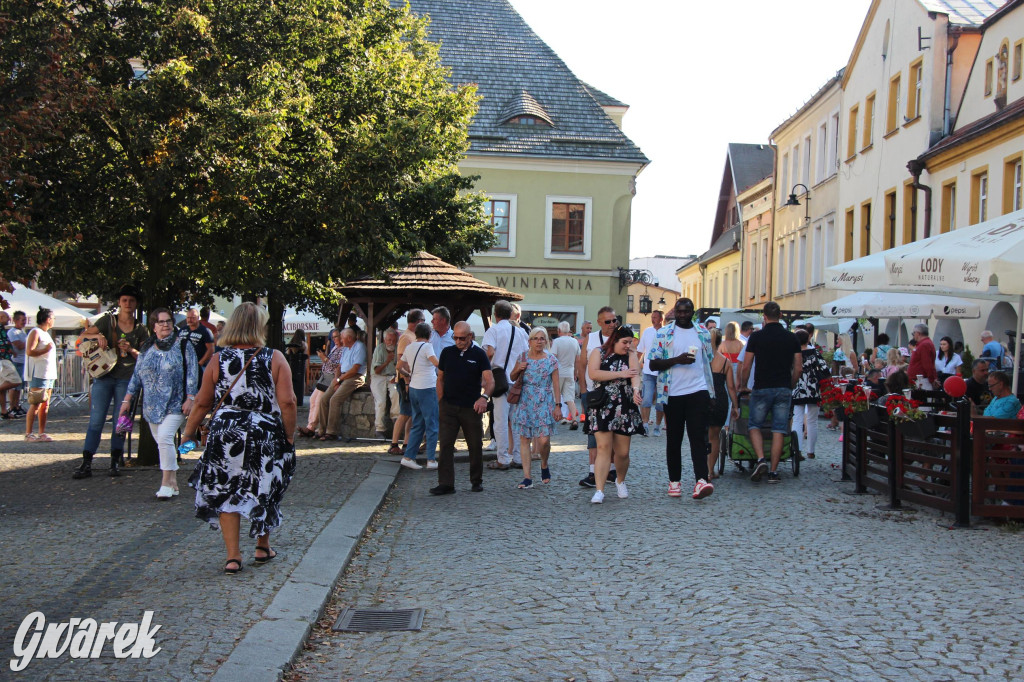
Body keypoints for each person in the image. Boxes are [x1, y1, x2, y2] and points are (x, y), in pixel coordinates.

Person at [181, 302, 296, 575]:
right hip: (263, 432)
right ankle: (262, 546)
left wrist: (189, 433)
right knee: (265, 486)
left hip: (224, 432)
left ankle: (233, 557)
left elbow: (201, 402)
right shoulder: (274, 357)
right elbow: (288, 402)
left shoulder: (218, 359)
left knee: (226, 489)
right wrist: (288, 436)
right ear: (260, 327)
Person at [119, 308, 199, 498]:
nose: (165, 325)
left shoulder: (183, 345)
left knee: (164, 438)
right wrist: (127, 399)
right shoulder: (147, 347)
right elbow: (137, 376)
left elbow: (193, 373)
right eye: (161, 322)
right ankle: (173, 482)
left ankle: (165, 482)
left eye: (168, 321)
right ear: (153, 326)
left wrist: (191, 397)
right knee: (163, 442)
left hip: (175, 402)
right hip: (151, 405)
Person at [75, 285, 149, 478]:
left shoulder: (141, 328)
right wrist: (99, 335)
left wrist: (131, 349)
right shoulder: (108, 321)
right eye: (124, 300)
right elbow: (84, 336)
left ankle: (116, 461)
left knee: (120, 421)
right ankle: (86, 462)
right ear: (119, 302)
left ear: (136, 304)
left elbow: (146, 356)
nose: (127, 304)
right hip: (104, 376)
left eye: (131, 301)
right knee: (96, 420)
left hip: (126, 379)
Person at [648, 298, 716, 500]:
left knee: (698, 437)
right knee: (674, 439)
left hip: (698, 390)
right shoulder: (664, 333)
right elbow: (653, 364)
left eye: (687, 312)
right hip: (672, 393)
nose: (683, 315)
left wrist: (711, 394)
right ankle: (674, 481)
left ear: (693, 312)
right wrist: (677, 360)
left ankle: (701, 481)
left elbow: (708, 361)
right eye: (680, 312)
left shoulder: (702, 333)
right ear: (674, 312)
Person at [739, 301, 801, 484]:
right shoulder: (792, 338)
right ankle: (773, 472)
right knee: (779, 429)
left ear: (764, 317)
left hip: (762, 387)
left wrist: (743, 385)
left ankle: (760, 460)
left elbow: (747, 365)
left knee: (754, 426)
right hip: (783, 388)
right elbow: (798, 368)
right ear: (780, 315)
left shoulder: (756, 337)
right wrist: (790, 385)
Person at [431, 322, 494, 495]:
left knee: (475, 445)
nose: (458, 341)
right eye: (455, 337)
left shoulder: (479, 354)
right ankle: (446, 483)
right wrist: (441, 400)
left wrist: (484, 397)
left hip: (470, 407)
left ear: (470, 336)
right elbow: (440, 378)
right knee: (445, 445)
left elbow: (490, 381)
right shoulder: (447, 353)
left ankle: (476, 481)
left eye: (462, 338)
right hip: (449, 406)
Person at [585, 325, 644, 503]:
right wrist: (620, 373)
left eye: (630, 342)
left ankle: (620, 480)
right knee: (603, 448)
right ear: (615, 340)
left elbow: (634, 374)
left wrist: (635, 390)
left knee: (623, 452)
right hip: (603, 404)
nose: (628, 345)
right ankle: (599, 490)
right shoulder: (599, 352)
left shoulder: (631, 354)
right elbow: (593, 374)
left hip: (624, 405)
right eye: (625, 342)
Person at [507, 327, 561, 489]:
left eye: (542, 338)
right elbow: (512, 376)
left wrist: (558, 406)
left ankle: (544, 464)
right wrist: (518, 368)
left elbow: (556, 385)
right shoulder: (522, 356)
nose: (539, 341)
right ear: (529, 341)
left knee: (544, 440)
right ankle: (527, 477)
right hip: (525, 400)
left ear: (546, 341)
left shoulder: (551, 360)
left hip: (544, 400)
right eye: (535, 338)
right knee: (525, 439)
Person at [482, 300, 528, 469]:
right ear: (511, 314)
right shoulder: (520, 332)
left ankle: (503, 458)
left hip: (499, 380)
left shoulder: (493, 330)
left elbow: (490, 352)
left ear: (495, 314)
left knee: (500, 421)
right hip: (516, 380)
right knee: (515, 421)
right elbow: (525, 355)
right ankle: (518, 456)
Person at [576, 307, 620, 487]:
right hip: (594, 392)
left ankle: (610, 470)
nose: (612, 324)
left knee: (614, 432)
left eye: (614, 320)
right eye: (608, 321)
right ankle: (593, 472)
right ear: (600, 322)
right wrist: (583, 389)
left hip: (616, 391)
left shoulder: (621, 337)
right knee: (593, 432)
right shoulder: (591, 338)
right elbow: (582, 364)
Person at [397, 322, 440, 470]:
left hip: (414, 387)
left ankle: (408, 457)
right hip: (427, 387)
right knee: (432, 424)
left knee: (417, 424)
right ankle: (431, 459)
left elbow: (399, 366)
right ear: (429, 335)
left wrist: (408, 375)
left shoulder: (409, 347)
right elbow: (436, 363)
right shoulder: (427, 347)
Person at [317, 327, 366, 441]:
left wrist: (339, 380)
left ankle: (331, 432)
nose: (340, 340)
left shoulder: (359, 347)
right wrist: (336, 379)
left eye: (342, 338)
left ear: (349, 338)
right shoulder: (345, 348)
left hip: (355, 376)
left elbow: (355, 369)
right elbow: (339, 366)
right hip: (342, 376)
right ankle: (321, 430)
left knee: (335, 399)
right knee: (324, 399)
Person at [389, 310, 423, 455]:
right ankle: (394, 443)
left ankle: (408, 444)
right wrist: (407, 381)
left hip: (412, 380)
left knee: (411, 414)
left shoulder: (413, 336)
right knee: (404, 413)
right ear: (418, 321)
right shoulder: (406, 338)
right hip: (406, 382)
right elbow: (402, 362)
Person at [791, 328, 829, 461]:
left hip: (797, 387)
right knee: (813, 420)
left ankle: (797, 450)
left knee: (797, 419)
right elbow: (825, 369)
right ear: (808, 339)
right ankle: (811, 451)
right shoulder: (814, 352)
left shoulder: (793, 353)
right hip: (813, 388)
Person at [706, 328, 739, 476]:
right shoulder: (726, 362)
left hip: (702, 399)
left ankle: (702, 469)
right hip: (719, 400)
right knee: (714, 437)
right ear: (720, 343)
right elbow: (731, 387)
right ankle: (710, 470)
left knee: (702, 436)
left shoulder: (701, 359)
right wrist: (736, 406)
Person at [23, 308, 57, 442]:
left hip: (48, 373)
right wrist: (45, 349)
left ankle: (41, 432)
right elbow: (29, 351)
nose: (54, 321)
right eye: (53, 318)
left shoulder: (46, 333)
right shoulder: (35, 332)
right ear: (48, 319)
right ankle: (28, 433)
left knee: (45, 404)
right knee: (36, 403)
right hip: (38, 372)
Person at [298, 329, 341, 437]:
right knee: (313, 399)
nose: (335, 339)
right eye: (333, 337)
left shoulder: (343, 350)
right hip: (324, 377)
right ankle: (310, 425)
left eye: (336, 337)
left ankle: (311, 427)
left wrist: (325, 359)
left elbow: (337, 366)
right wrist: (324, 358)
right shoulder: (335, 348)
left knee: (318, 401)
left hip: (331, 378)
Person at [636, 310, 666, 436]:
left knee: (660, 402)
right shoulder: (647, 331)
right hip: (648, 370)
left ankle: (658, 426)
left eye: (655, 317)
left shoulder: (666, 332)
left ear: (661, 319)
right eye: (652, 317)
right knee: (646, 399)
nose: (652, 319)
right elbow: (640, 350)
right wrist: (636, 365)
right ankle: (645, 423)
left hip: (662, 371)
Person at [370, 328, 400, 439]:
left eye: (393, 340)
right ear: (384, 340)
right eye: (389, 340)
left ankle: (396, 419)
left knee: (396, 393)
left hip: (392, 375)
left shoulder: (397, 349)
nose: (391, 342)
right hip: (378, 376)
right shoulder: (379, 349)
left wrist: (396, 376)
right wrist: (387, 361)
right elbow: (377, 370)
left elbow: (400, 365)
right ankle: (379, 429)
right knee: (381, 402)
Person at [551, 321, 581, 428]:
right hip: (569, 372)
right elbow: (577, 360)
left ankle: (554, 417)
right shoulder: (574, 341)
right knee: (570, 397)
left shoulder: (557, 342)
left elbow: (553, 358)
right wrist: (575, 372)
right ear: (568, 330)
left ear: (559, 331)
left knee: (555, 395)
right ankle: (574, 419)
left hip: (558, 372)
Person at [6, 310, 28, 417]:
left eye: (25, 320)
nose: (24, 322)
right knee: (14, 385)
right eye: (22, 320)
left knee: (20, 386)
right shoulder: (12, 332)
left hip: (23, 360)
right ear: (15, 320)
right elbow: (18, 345)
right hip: (16, 361)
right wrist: (30, 342)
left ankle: (17, 405)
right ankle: (12, 406)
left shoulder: (22, 332)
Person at [0, 311, 20, 420]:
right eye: (7, 317)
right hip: (3, 360)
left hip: (4, 359)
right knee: (16, 380)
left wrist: (11, 350)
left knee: (2, 389)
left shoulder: (3, 329)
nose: (9, 320)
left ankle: (3, 411)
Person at [907, 323, 937, 389]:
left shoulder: (924, 345)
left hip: (922, 381)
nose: (913, 335)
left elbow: (927, 364)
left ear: (918, 333)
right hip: (920, 380)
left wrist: (932, 379)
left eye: (913, 333)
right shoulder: (924, 344)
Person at [284, 329, 308, 407]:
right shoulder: (303, 344)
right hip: (300, 366)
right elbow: (305, 356)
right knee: (301, 383)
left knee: (292, 382)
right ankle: (299, 400)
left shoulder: (291, 344)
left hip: (291, 366)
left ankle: (292, 398)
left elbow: (287, 354)